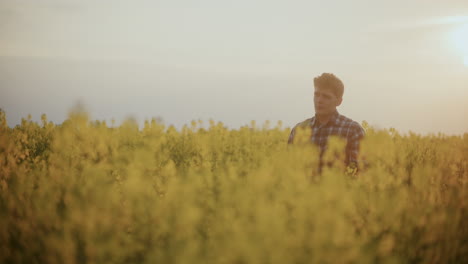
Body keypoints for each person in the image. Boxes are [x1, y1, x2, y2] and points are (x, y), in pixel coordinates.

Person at [288, 73, 365, 172]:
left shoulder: (353, 130)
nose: (319, 100)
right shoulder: (298, 130)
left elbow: (359, 173)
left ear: (339, 101)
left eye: (326, 97)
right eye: (317, 94)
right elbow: (289, 171)